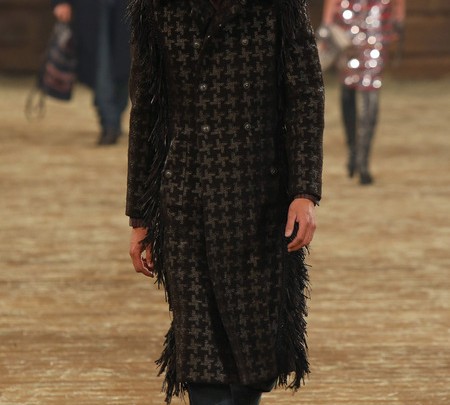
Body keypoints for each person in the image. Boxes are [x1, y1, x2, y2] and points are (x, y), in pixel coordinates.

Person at [127, 0, 324, 404]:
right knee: (200, 351)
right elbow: (147, 109)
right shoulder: (158, 7)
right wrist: (140, 216)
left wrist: (304, 192)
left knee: (253, 350)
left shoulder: (278, 6)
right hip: (185, 194)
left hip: (261, 197)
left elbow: (305, 93)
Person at [322, 0, 405, 184]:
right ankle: (353, 150)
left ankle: (363, 161)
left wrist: (398, 19)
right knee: (347, 89)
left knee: (371, 91)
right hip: (347, 25)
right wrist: (327, 23)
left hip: (377, 24)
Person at [52, 0, 131, 145]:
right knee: (101, 67)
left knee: (124, 68)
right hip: (92, 8)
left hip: (128, 8)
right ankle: (109, 122)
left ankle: (113, 118)